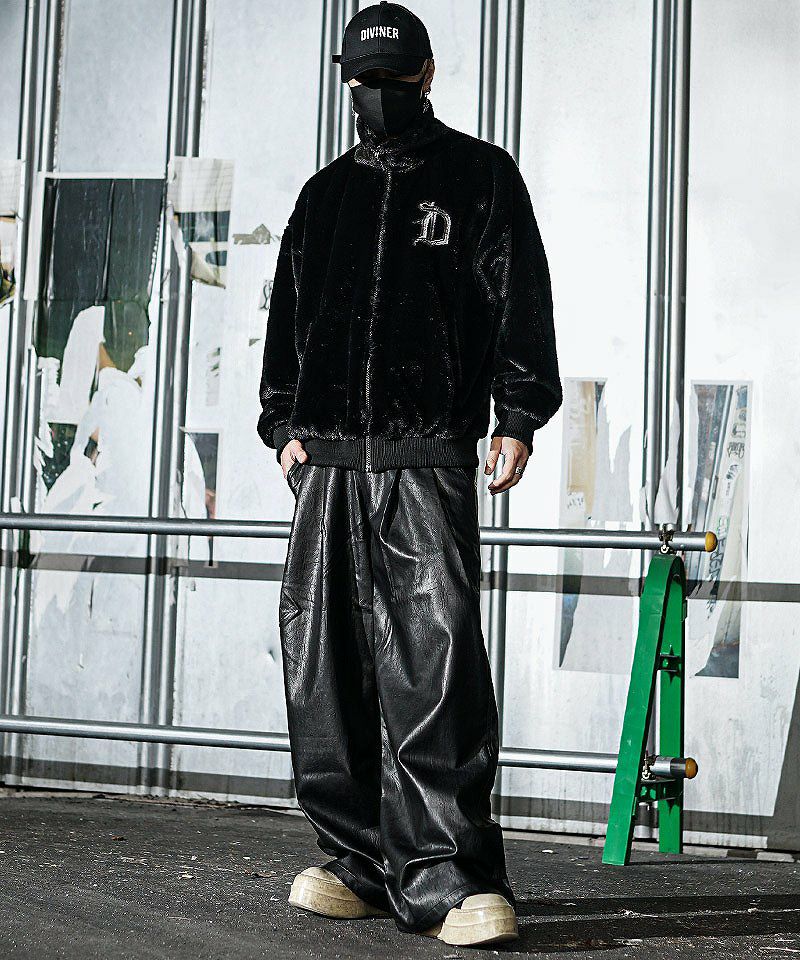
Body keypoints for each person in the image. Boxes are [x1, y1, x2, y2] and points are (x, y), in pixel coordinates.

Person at [257, 1, 561, 947]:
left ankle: (453, 878)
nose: (377, 93)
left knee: (436, 666)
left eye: (392, 77)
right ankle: (356, 861)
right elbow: (289, 320)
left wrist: (518, 414)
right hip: (328, 468)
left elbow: (520, 300)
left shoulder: (479, 179)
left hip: (425, 459)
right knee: (325, 670)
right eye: (364, 79)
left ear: (426, 75)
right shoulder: (324, 197)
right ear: (347, 81)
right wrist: (283, 424)